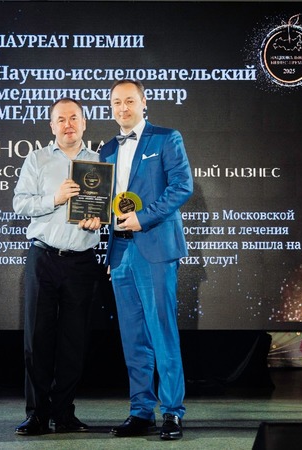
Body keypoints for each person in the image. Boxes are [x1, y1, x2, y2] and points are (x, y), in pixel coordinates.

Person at [100, 79, 194, 441]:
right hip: (121, 251)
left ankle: (172, 412)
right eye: (116, 102)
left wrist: (144, 217)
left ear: (143, 103)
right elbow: (104, 201)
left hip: (154, 247)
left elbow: (182, 186)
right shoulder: (108, 149)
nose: (122, 108)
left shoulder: (166, 138)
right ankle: (141, 411)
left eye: (129, 101)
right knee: (133, 337)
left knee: (162, 331)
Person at [12, 97, 101, 435]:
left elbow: (108, 207)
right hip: (44, 259)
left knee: (73, 341)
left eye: (74, 118)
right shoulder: (37, 159)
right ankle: (37, 414)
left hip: (82, 262)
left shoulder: (99, 162)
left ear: (84, 122)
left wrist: (100, 219)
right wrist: (55, 199)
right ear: (52, 126)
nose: (68, 125)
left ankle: (63, 414)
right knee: (38, 339)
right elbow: (19, 203)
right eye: (61, 119)